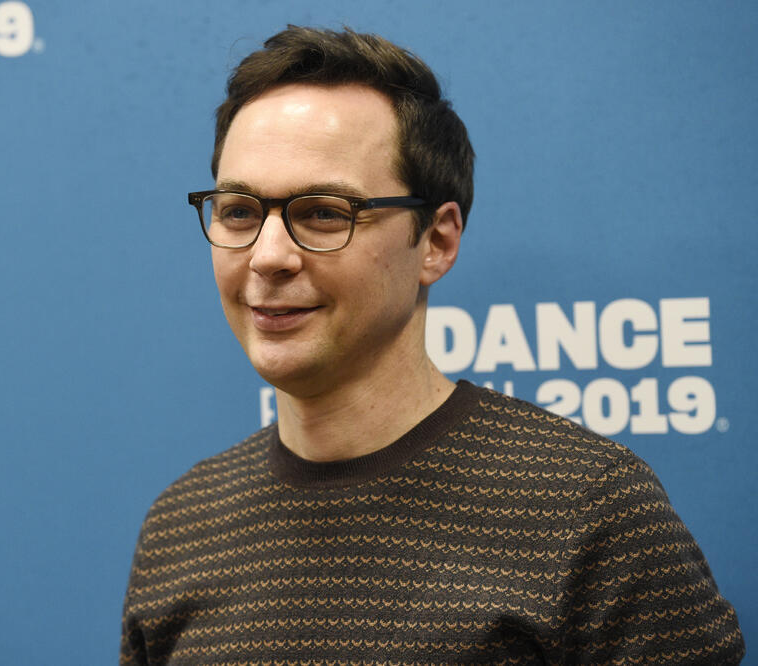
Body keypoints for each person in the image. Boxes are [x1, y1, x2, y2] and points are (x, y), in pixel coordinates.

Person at [120, 25, 745, 664]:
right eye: (239, 212)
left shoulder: (589, 512)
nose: (268, 256)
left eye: (324, 212)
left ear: (437, 243)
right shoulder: (181, 529)